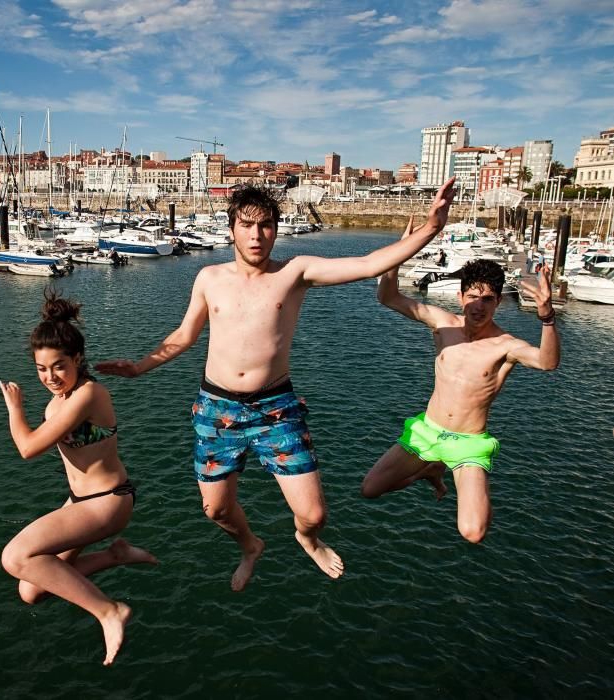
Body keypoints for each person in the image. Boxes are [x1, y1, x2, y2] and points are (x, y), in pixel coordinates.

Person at [96, 179, 457, 591]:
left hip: (276, 408)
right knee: (215, 510)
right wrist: (141, 366)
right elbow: (184, 336)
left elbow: (369, 264)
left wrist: (431, 230)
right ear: (231, 228)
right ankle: (251, 545)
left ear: (276, 228)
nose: (256, 235)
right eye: (247, 224)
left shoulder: (294, 272)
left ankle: (307, 540)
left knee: (314, 515)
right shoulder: (209, 278)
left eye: (265, 225)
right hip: (217, 408)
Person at [361, 241, 560, 542]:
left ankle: (445, 471)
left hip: (468, 442)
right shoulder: (443, 324)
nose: (479, 306)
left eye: (488, 299)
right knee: (370, 489)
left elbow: (547, 363)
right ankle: (428, 469)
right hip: (427, 432)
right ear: (460, 296)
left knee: (473, 532)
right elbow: (387, 296)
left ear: (498, 303)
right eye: (473, 297)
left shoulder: (506, 346)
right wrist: (400, 254)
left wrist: (547, 318)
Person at [0, 291, 157, 667]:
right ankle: (115, 555)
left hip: (108, 500)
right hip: (81, 502)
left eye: (58, 366)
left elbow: (28, 448)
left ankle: (108, 611)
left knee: (15, 556)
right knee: (31, 590)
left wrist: (14, 410)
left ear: (78, 359)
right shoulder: (58, 402)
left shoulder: (89, 394)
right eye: (41, 368)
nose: (50, 376)